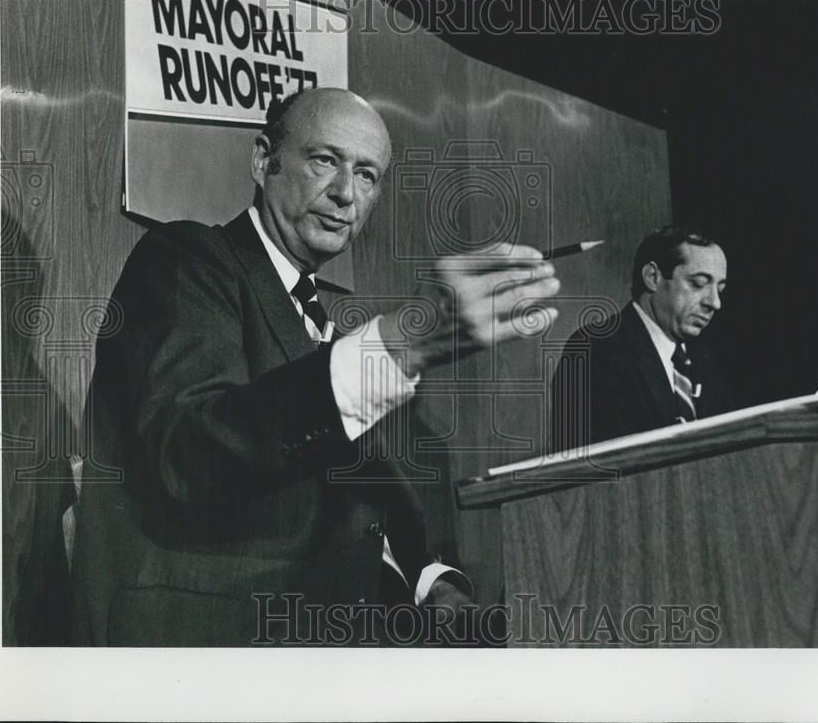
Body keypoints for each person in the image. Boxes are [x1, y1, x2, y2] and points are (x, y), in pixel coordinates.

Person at [71, 88, 560, 646]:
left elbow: (360, 504)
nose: (345, 193)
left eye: (368, 174)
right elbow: (192, 453)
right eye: (325, 159)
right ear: (263, 161)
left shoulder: (322, 323)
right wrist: (399, 346)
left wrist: (431, 580)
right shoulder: (185, 260)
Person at [549, 225, 731, 453]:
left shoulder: (705, 358)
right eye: (698, 284)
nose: (714, 303)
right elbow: (587, 467)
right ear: (653, 277)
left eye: (720, 289)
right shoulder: (592, 349)